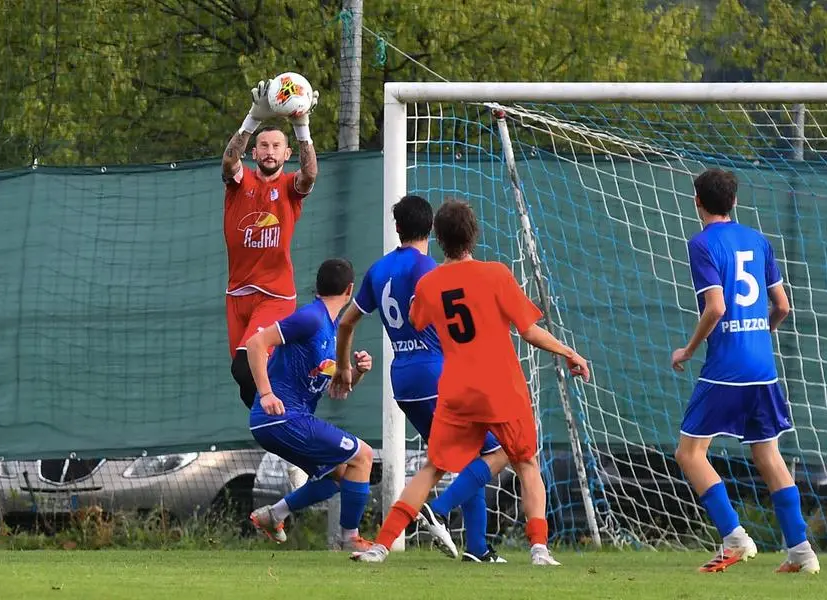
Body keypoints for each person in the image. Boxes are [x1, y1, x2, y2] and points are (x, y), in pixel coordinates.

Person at [350, 200, 590, 566]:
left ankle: (382, 546)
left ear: (439, 238)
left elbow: (415, 319)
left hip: (456, 390)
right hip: (500, 387)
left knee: (433, 467)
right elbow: (529, 331)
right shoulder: (495, 274)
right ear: (473, 235)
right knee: (525, 461)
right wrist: (569, 352)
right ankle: (539, 548)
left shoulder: (429, 282)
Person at [330, 194, 507, 562]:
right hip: (436, 375)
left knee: (461, 457)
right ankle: (438, 509)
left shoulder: (378, 270)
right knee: (497, 450)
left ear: (397, 228)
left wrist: (343, 366)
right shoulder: (430, 269)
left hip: (404, 381)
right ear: (431, 229)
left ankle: (477, 548)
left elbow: (346, 322)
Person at [672, 168, 819, 574]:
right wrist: (760, 332)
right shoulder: (759, 240)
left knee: (689, 452)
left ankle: (735, 538)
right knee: (768, 454)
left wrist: (688, 349)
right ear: (734, 202)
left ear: (697, 201)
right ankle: (802, 552)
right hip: (763, 366)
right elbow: (783, 307)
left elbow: (716, 307)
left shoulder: (701, 244)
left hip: (726, 367)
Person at [246, 258, 374, 552]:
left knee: (338, 476)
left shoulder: (328, 329)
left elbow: (333, 389)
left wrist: (358, 372)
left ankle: (274, 514)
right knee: (363, 456)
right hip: (280, 417)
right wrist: (266, 393)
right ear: (350, 290)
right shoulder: (312, 318)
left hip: (283, 419)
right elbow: (256, 343)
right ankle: (351, 539)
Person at [222, 78, 319, 408]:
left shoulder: (291, 188)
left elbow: (310, 175)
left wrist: (302, 127)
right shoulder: (241, 181)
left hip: (275, 294)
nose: (270, 151)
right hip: (238, 293)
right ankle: (276, 419)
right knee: (243, 379)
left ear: (286, 153)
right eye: (264, 146)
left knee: (245, 364)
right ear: (255, 151)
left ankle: (292, 398)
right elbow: (228, 162)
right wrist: (253, 118)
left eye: (277, 146)